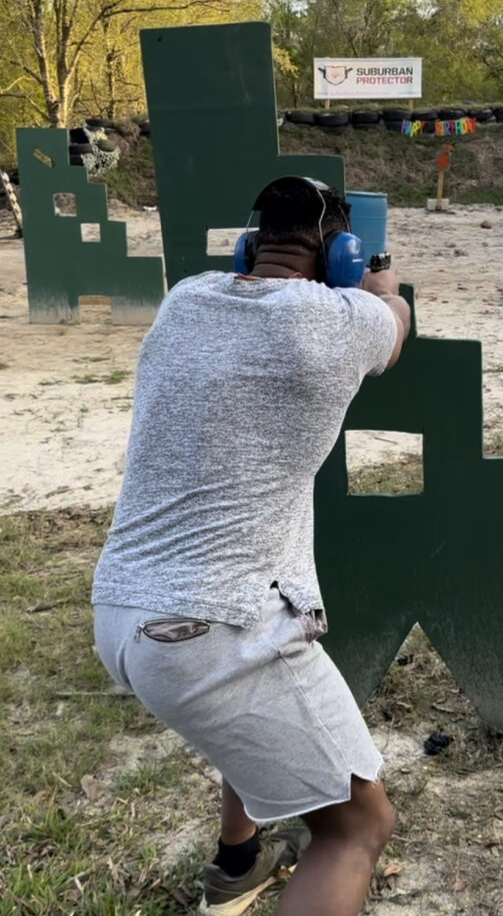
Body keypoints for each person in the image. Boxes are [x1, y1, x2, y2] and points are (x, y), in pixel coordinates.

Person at [92, 175, 412, 916]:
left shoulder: (184, 302)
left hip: (123, 612)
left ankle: (238, 862)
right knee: (359, 826)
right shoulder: (339, 319)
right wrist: (381, 274)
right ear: (339, 257)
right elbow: (395, 316)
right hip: (216, 629)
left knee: (246, 707)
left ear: (248, 247)